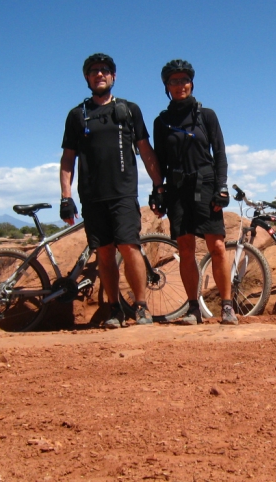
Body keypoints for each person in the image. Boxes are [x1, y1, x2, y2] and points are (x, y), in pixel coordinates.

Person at [60, 53, 163, 328]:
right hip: (92, 197)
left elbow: (145, 150)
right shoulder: (76, 115)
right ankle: (115, 309)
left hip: (123, 194)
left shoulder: (129, 110)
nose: (99, 74)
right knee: (104, 254)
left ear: (114, 76)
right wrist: (65, 196)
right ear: (87, 78)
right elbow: (68, 159)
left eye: (105, 70)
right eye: (93, 71)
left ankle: (140, 307)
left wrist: (158, 186)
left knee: (130, 248)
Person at [151, 59, 237, 325]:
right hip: (177, 189)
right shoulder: (162, 121)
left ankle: (226, 306)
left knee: (218, 247)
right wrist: (158, 190)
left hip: (206, 185)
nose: (180, 85)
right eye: (174, 81)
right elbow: (160, 160)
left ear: (192, 83)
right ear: (166, 86)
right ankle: (192, 308)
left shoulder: (206, 115)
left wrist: (221, 186)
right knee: (185, 249)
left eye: (184, 80)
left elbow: (220, 153)